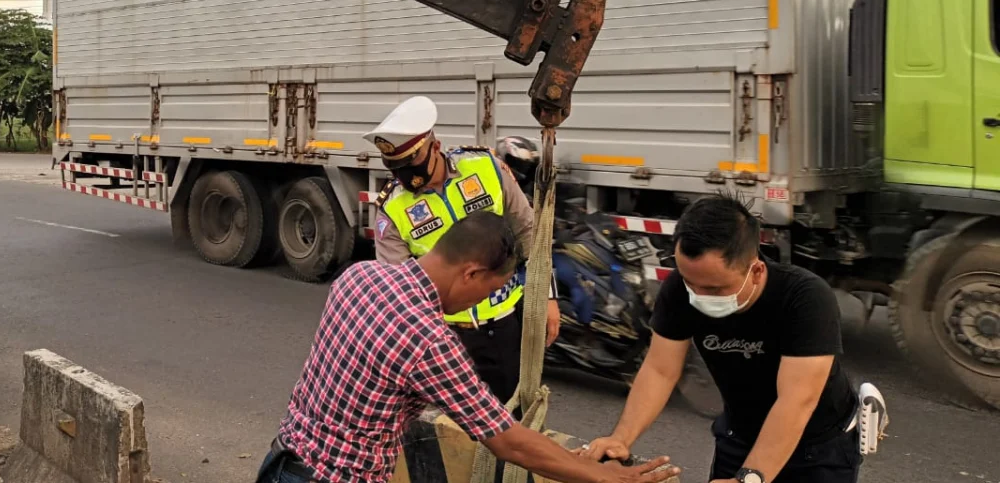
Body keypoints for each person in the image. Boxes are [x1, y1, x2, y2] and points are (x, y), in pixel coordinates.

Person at [258, 211, 679, 483]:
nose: (479, 304)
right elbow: (507, 440)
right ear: (472, 273)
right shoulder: (428, 341)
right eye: (488, 292)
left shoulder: (358, 276)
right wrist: (600, 476)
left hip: (282, 461)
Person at [580, 195, 861, 483]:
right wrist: (621, 438)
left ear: (756, 271)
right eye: (691, 284)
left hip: (817, 447)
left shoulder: (805, 298)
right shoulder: (679, 290)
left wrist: (749, 478)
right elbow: (660, 370)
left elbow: (796, 400)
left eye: (715, 289)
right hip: (740, 435)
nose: (699, 296)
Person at [367, 96, 561, 405]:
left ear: (435, 147)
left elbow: (529, 233)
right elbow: (396, 295)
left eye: (412, 165)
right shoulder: (392, 210)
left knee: (511, 424)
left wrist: (547, 296)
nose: (407, 178)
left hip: (503, 329)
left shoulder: (486, 169)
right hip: (442, 341)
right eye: (396, 168)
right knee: (446, 438)